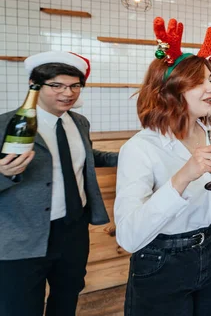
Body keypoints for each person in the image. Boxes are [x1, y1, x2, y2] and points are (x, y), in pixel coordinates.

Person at [114, 17, 211, 316]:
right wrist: (183, 177)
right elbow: (129, 237)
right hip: (162, 262)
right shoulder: (139, 149)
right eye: (200, 82)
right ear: (170, 90)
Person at [0, 52, 118, 316]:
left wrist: (130, 158)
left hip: (72, 230)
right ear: (35, 85)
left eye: (75, 85)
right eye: (57, 85)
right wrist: (3, 173)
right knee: (19, 306)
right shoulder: (6, 125)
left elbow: (86, 156)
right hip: (22, 236)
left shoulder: (79, 122)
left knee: (67, 296)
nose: (68, 93)